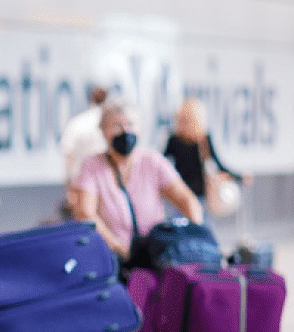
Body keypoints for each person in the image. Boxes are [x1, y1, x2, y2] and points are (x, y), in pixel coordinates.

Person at [73, 96, 203, 262]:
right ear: (103, 131)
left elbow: (187, 200)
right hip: (112, 256)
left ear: (139, 129)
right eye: (116, 126)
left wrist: (194, 238)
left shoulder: (153, 162)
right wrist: (120, 248)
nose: (125, 131)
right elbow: (85, 213)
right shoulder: (92, 166)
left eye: (130, 124)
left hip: (154, 255)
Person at [164, 97, 252, 205]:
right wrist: (239, 177)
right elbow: (219, 165)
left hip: (183, 194)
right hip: (192, 195)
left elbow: (163, 164)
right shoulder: (198, 139)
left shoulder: (179, 139)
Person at [60, 86, 109, 215]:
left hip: (81, 187)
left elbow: (68, 160)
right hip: (104, 187)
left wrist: (69, 190)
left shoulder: (76, 123)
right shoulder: (109, 123)